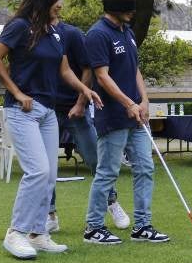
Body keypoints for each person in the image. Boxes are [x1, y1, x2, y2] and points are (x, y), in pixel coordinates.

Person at [0, 0, 102, 260]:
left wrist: (85, 90)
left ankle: (38, 234)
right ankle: (17, 233)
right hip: (22, 110)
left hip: (48, 112)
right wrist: (18, 91)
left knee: (49, 175)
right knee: (37, 171)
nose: (61, 4)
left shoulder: (53, 32)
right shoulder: (19, 27)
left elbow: (64, 71)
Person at [82, 0, 170, 245]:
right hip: (113, 116)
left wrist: (143, 100)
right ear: (113, 4)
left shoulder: (128, 32)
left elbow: (134, 70)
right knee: (108, 172)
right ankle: (93, 227)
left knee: (145, 168)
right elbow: (102, 77)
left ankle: (142, 226)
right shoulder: (98, 34)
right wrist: (127, 103)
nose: (132, 10)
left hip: (136, 117)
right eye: (127, 5)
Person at [46, 20, 130, 234]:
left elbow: (88, 70)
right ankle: (50, 214)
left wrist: (80, 103)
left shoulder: (71, 34)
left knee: (95, 159)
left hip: (75, 109)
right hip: (45, 109)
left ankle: (111, 202)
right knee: (45, 166)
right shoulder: (35, 33)